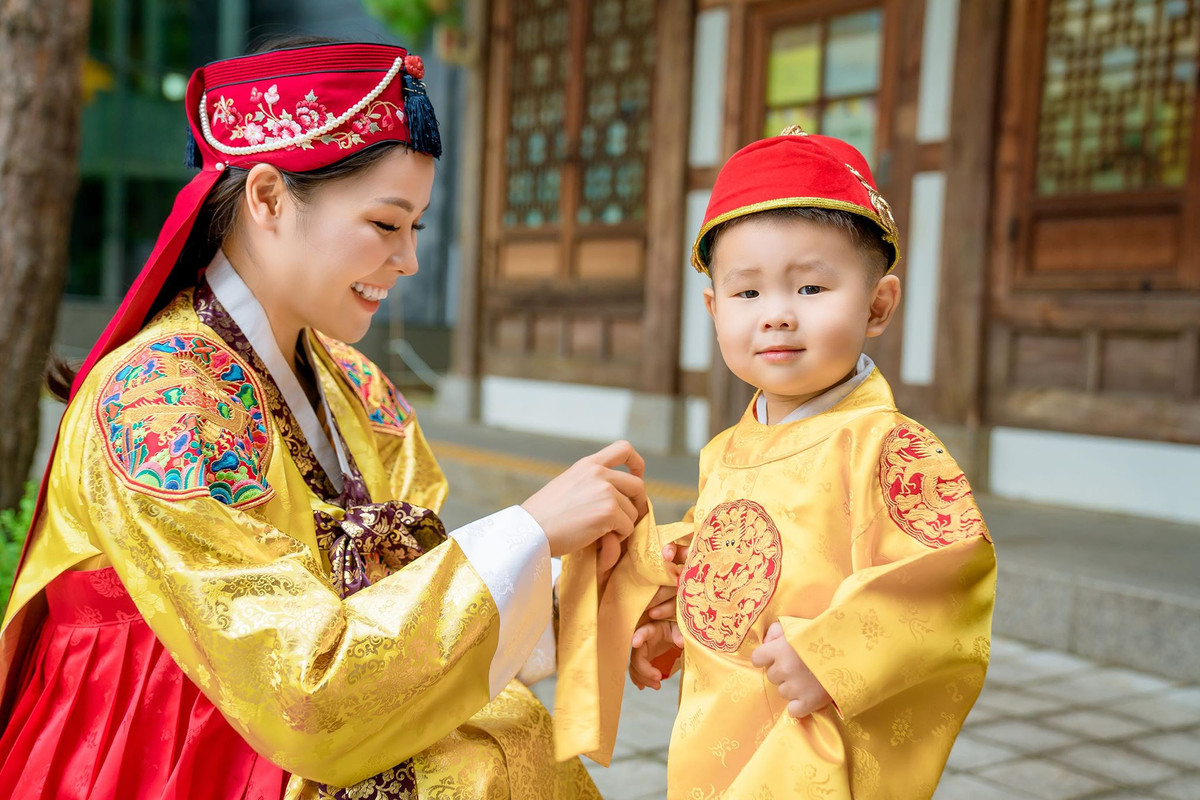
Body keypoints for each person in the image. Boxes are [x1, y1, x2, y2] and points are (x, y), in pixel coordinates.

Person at [0, 37, 646, 799]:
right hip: (177, 736)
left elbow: (411, 593)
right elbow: (300, 685)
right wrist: (529, 533)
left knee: (514, 742)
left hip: (308, 708)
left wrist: (592, 594)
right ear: (268, 198)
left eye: (418, 229)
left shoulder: (356, 386)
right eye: (384, 224)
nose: (407, 261)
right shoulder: (156, 402)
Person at [554, 128, 998, 799]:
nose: (777, 317)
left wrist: (834, 654)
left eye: (812, 289)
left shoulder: (888, 445)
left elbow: (948, 572)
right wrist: (670, 614)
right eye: (747, 294)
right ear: (713, 308)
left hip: (812, 726)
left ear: (878, 305)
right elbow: (729, 558)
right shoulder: (730, 448)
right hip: (720, 720)